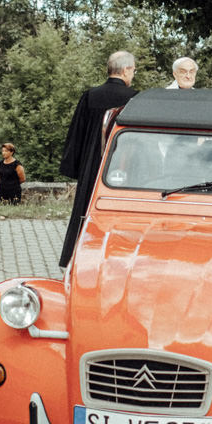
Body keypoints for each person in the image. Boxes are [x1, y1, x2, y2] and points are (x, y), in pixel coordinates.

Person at [58, 50, 137, 266]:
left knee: (85, 210)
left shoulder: (90, 95)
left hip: (91, 166)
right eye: (133, 70)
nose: (133, 75)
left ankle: (78, 258)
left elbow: (77, 134)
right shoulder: (134, 99)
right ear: (126, 70)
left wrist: (76, 168)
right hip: (121, 169)